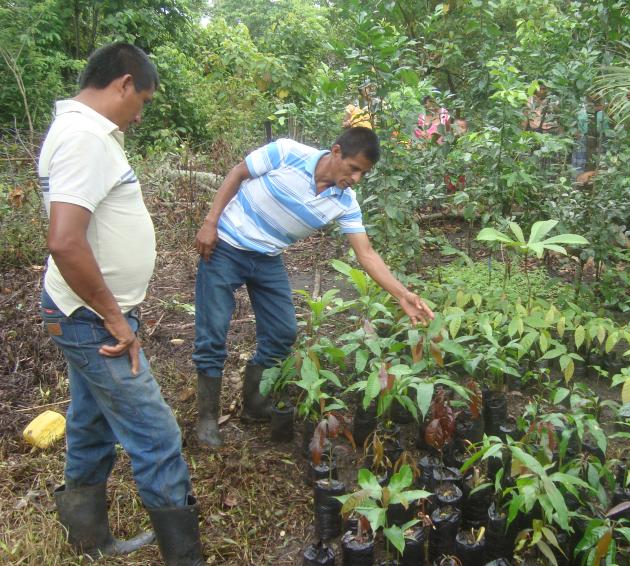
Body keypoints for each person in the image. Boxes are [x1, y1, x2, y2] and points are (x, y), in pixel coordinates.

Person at [38, 43, 203, 564]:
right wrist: (115, 317)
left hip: (83, 313)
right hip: (91, 320)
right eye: (145, 100)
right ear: (125, 83)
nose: (141, 113)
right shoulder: (86, 137)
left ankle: (91, 542)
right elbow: (65, 241)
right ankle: (187, 558)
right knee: (157, 435)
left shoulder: (83, 133)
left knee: (90, 424)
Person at [192, 127, 434, 447]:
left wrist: (403, 294)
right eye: (354, 168)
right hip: (226, 246)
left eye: (364, 173)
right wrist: (210, 222)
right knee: (213, 333)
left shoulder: (345, 200)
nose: (358, 178)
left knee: (282, 332)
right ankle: (207, 418)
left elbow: (367, 253)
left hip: (267, 257)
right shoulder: (287, 153)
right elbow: (238, 172)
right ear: (336, 152)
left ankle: (253, 403)